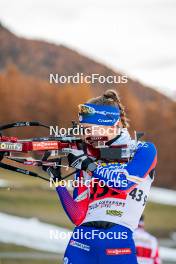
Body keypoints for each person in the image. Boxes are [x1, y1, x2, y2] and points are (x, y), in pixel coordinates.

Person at [45, 90, 157, 264]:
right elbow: (78, 216)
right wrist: (58, 181)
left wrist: (88, 165)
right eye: (83, 130)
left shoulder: (143, 149)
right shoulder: (89, 157)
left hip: (117, 239)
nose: (86, 136)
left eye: (90, 129)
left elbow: (124, 182)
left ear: (112, 124)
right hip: (81, 241)